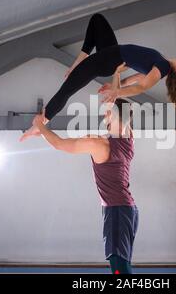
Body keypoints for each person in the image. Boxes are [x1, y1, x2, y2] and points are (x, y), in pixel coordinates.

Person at [20, 12, 176, 142]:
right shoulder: (162, 66)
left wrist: (117, 93)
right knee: (97, 20)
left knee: (68, 88)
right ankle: (78, 62)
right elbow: (134, 79)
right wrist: (118, 85)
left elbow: (142, 87)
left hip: (107, 61)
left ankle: (40, 124)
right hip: (112, 54)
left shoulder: (163, 67)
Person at [31, 87, 139, 274]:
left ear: (113, 115)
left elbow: (59, 144)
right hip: (128, 211)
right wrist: (117, 84)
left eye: (107, 112)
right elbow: (125, 110)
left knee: (119, 270)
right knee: (123, 265)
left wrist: (39, 125)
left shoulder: (98, 144)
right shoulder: (128, 140)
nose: (104, 115)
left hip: (117, 211)